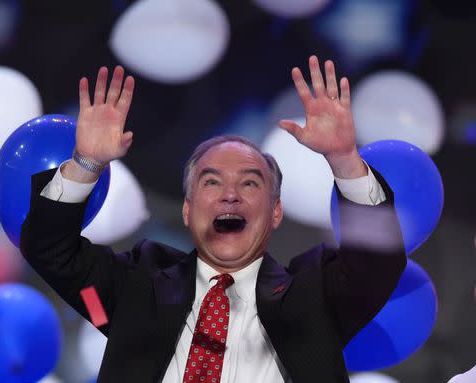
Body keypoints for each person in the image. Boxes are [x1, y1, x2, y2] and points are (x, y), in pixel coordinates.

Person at [20, 56, 406, 383]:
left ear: (275, 212)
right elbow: (50, 249)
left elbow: (378, 263)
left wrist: (344, 161)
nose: (230, 193)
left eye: (250, 182)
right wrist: (87, 164)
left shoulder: (314, 295)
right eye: (211, 181)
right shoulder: (136, 286)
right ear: (187, 210)